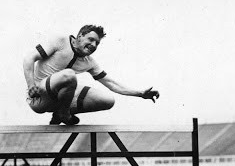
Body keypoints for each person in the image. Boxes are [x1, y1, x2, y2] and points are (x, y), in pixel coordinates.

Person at [23, 24, 160, 125]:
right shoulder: (61, 41)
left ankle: (60, 114)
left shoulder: (90, 62)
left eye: (97, 43)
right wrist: (31, 86)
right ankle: (64, 114)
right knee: (69, 75)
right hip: (39, 96)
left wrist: (140, 94)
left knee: (107, 100)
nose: (93, 45)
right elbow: (29, 58)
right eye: (91, 39)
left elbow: (111, 84)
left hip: (58, 100)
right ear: (80, 36)